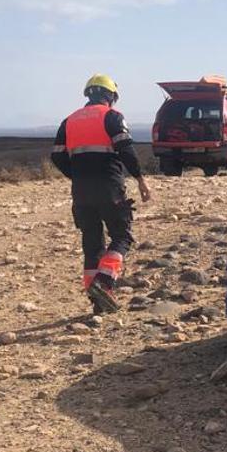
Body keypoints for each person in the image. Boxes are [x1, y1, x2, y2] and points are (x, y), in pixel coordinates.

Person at [50, 74, 151, 314]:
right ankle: (104, 283)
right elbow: (126, 150)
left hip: (81, 191)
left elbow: (56, 155)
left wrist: (75, 175)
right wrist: (140, 179)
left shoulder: (69, 121)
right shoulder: (112, 117)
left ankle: (98, 304)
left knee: (92, 244)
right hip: (109, 187)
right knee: (122, 237)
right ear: (111, 96)